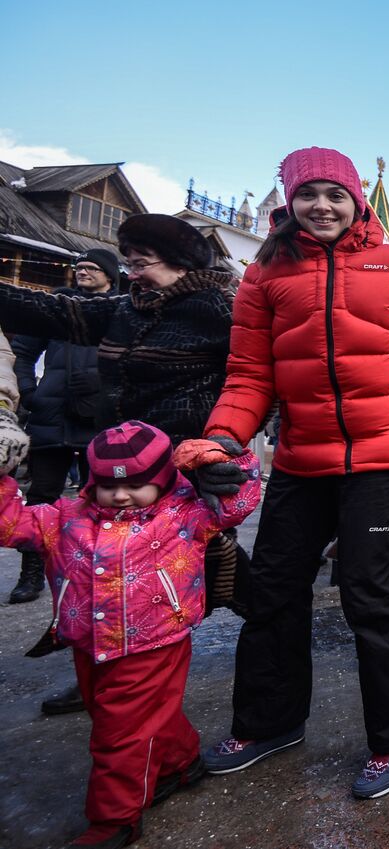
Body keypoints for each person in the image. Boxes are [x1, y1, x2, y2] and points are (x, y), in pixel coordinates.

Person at [197, 147, 389, 800]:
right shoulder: (266, 272)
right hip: (302, 458)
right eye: (309, 194)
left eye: (335, 193)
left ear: (357, 199)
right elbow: (249, 374)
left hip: (381, 457)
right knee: (271, 588)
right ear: (290, 201)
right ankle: (269, 720)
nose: (322, 205)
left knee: (369, 588)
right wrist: (223, 438)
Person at [0, 214, 239, 718]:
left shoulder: (219, 308)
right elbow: (56, 310)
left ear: (181, 264)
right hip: (111, 464)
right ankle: (105, 665)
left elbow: (257, 379)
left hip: (182, 468)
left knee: (198, 572)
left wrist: (223, 443)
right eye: (128, 263)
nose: (131, 273)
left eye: (142, 263)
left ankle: (267, 640)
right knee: (101, 570)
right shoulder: (127, 308)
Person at [0, 420, 260, 849]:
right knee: (122, 716)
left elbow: (236, 503)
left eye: (136, 484)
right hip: (88, 642)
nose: (120, 495)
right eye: (107, 485)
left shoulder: (186, 514)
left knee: (119, 734)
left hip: (154, 643)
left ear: (161, 479)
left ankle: (113, 820)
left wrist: (227, 459)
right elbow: (10, 526)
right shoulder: (64, 518)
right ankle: (179, 762)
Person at [8, 248, 120, 605]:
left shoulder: (119, 310)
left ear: (110, 275)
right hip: (51, 412)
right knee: (42, 497)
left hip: (100, 418)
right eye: (79, 267)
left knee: (102, 499)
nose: (82, 272)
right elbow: (22, 352)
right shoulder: (57, 305)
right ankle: (32, 573)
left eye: (91, 268)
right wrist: (28, 391)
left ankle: (93, 569)